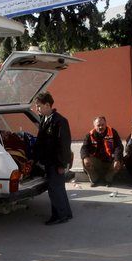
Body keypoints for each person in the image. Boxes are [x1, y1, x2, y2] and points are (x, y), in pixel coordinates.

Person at [33, 92, 73, 225]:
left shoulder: (60, 121)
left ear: (47, 105)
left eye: (38, 106)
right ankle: (66, 213)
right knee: (58, 189)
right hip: (49, 161)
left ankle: (59, 216)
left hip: (56, 163)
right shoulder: (44, 119)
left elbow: (64, 145)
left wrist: (62, 164)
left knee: (55, 190)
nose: (36, 108)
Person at [80, 116, 123, 187]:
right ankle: (95, 179)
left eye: (102, 125)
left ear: (106, 124)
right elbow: (84, 147)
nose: (101, 127)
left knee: (120, 161)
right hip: (97, 161)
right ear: (94, 126)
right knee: (84, 160)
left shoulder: (113, 132)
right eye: (98, 125)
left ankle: (108, 179)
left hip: (110, 160)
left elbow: (119, 146)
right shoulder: (89, 135)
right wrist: (85, 157)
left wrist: (117, 159)